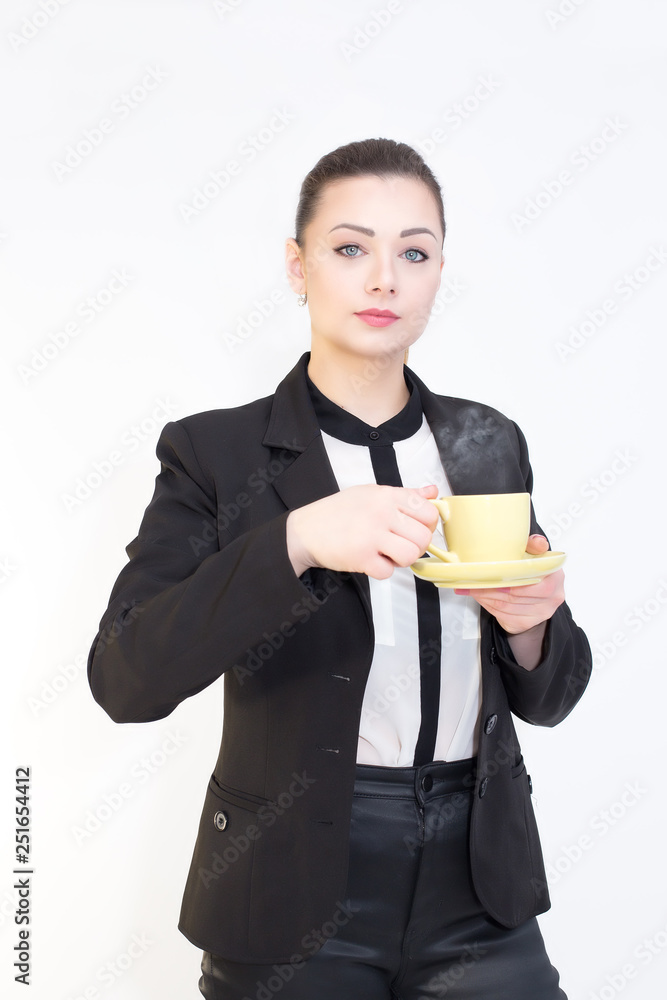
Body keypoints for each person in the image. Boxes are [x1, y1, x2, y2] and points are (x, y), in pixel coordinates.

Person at [87, 137, 592, 999]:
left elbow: (550, 697)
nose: (384, 279)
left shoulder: (487, 441)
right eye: (351, 248)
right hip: (292, 879)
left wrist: (532, 625)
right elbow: (125, 679)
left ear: (438, 272)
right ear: (298, 265)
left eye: (413, 253)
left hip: (480, 878)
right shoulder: (215, 452)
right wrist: (295, 540)